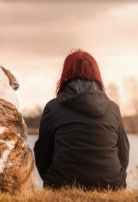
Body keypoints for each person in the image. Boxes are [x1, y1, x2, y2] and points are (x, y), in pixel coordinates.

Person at [34, 49, 129, 190]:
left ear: (66, 74)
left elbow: (42, 154)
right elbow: (124, 153)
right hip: (111, 185)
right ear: (96, 74)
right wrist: (115, 179)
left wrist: (51, 180)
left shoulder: (53, 108)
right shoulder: (113, 108)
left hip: (62, 185)